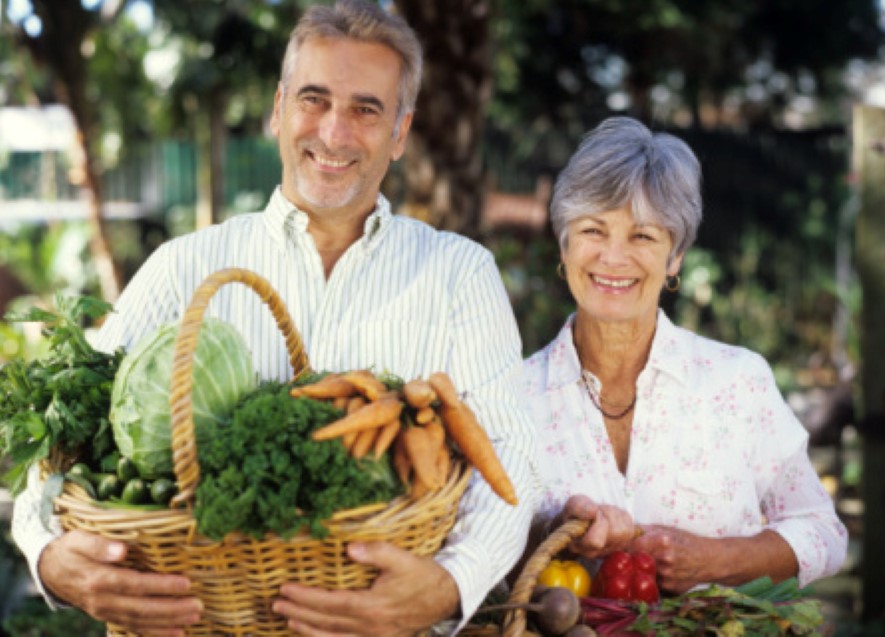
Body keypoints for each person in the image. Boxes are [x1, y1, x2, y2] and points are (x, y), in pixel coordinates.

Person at [11, 1, 540, 635]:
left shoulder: (460, 275)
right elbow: (55, 455)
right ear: (278, 109)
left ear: (399, 134)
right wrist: (50, 559)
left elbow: (510, 459)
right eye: (313, 100)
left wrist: (451, 585)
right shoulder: (184, 267)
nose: (334, 132)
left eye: (366, 109)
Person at [521, 117, 847, 593]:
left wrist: (715, 561)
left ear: (675, 257)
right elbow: (474, 563)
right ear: (564, 244)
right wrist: (552, 536)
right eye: (593, 230)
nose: (613, 258)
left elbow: (825, 534)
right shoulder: (510, 398)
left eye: (643, 236)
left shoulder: (737, 382)